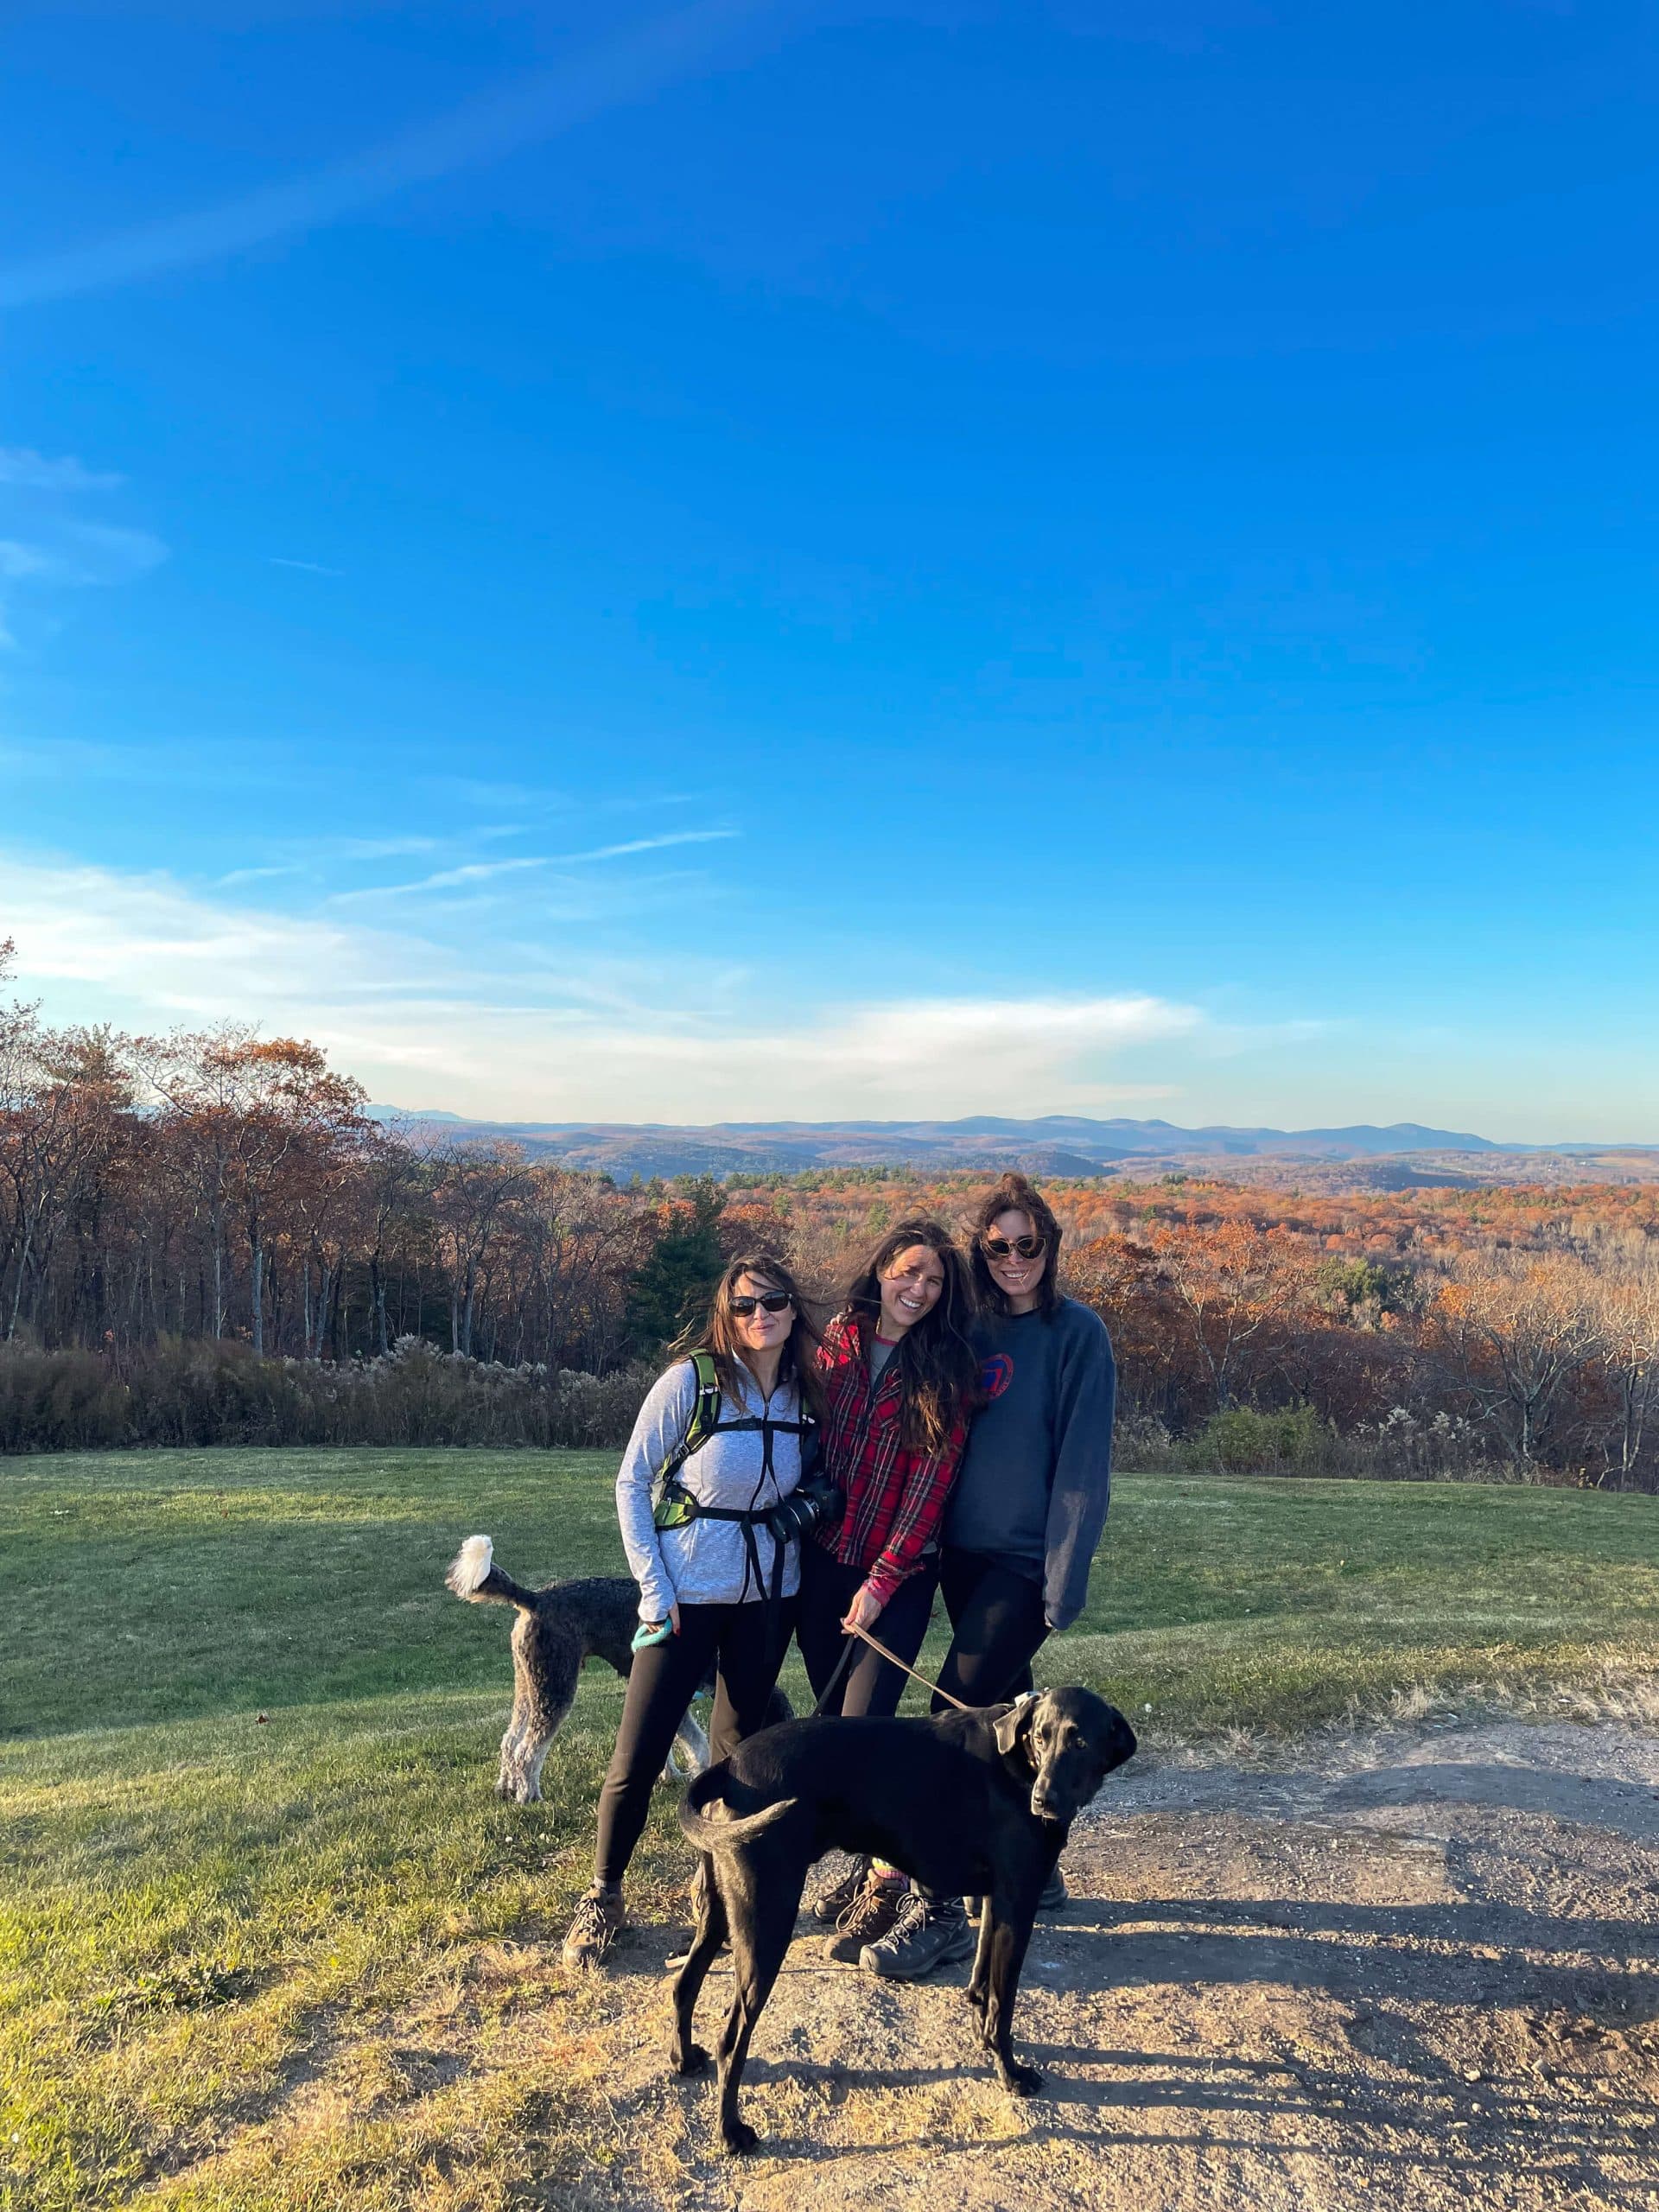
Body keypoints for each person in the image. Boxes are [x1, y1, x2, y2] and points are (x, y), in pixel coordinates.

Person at [861, 1172, 1116, 1982]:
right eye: (997, 1245)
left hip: (1024, 1564)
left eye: (1027, 1244)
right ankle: (1032, 1867)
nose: (1012, 1258)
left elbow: (1083, 1465)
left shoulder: (1078, 1335)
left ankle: (937, 1907)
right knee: (1014, 1723)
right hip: (955, 1558)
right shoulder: (966, 1328)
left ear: (1050, 1247)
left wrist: (1062, 1581)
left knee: (953, 1716)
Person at [561, 1251, 823, 1971]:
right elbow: (630, 1482)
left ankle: (716, 1889)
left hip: (769, 1595)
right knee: (639, 1755)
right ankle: (604, 1895)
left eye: (772, 1301)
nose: (759, 1316)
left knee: (738, 1755)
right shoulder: (692, 1382)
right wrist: (654, 1588)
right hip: (683, 1598)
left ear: (794, 1308)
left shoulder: (808, 1390)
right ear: (725, 1313)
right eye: (743, 1305)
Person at [794, 1218, 980, 1962]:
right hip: (821, 1562)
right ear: (881, 1271)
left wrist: (880, 1582)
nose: (919, 1289)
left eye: (934, 1280)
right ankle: (871, 1861)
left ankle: (887, 1884)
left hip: (895, 1576)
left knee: (869, 1730)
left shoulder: (946, 1368)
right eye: (908, 1272)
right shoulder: (836, 1340)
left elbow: (930, 1493)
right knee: (838, 1728)